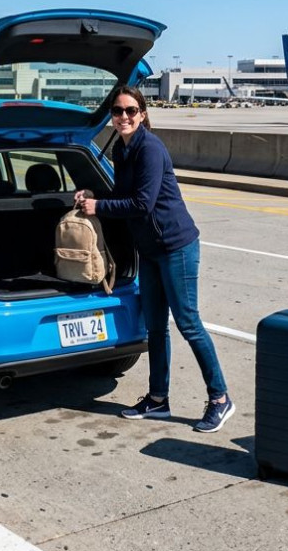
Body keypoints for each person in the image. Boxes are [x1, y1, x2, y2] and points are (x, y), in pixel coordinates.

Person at [74, 85, 234, 433]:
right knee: (156, 328)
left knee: (189, 323)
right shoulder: (122, 149)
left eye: (131, 110)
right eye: (118, 111)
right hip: (149, 249)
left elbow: (142, 203)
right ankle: (158, 400)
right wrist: (94, 195)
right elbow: (122, 195)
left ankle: (220, 398)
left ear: (143, 113)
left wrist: (99, 206)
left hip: (175, 245)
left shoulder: (150, 149)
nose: (124, 117)